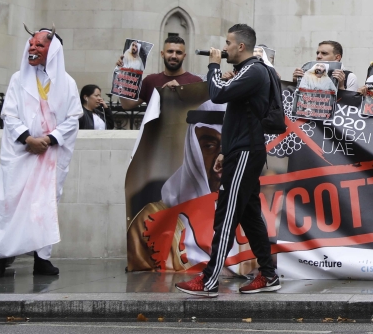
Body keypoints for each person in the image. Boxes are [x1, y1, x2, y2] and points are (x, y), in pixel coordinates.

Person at [176, 24, 280, 297]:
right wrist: (225, 150)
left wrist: (212, 67)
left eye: (228, 43)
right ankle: (268, 275)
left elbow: (218, 94)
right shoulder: (247, 72)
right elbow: (238, 115)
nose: (224, 48)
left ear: (241, 47)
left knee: (227, 214)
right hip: (240, 150)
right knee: (248, 215)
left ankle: (209, 281)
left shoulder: (254, 71)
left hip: (246, 152)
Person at [0, 27, 82, 280]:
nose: (32, 49)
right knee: (7, 203)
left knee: (44, 206)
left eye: (39, 45)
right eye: (31, 44)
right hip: (21, 152)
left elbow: (73, 119)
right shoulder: (18, 79)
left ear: (53, 51)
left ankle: (42, 260)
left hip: (50, 157)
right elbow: (9, 114)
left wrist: (48, 140)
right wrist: (27, 139)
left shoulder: (68, 83)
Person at [127, 104, 224, 271]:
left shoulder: (254, 214)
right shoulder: (150, 219)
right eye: (209, 146)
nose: (221, 161)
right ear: (193, 150)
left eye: (232, 147)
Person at [118, 36, 202, 110]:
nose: (174, 56)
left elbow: (201, 112)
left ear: (184, 56)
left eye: (178, 53)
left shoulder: (196, 82)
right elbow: (127, 105)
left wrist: (181, 91)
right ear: (162, 54)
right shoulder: (150, 81)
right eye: (170, 51)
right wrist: (122, 75)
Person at [292, 41, 357, 91]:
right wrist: (296, 82)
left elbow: (350, 105)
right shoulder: (307, 73)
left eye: (324, 53)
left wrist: (341, 86)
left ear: (337, 57)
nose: (318, 56)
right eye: (317, 53)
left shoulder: (350, 77)